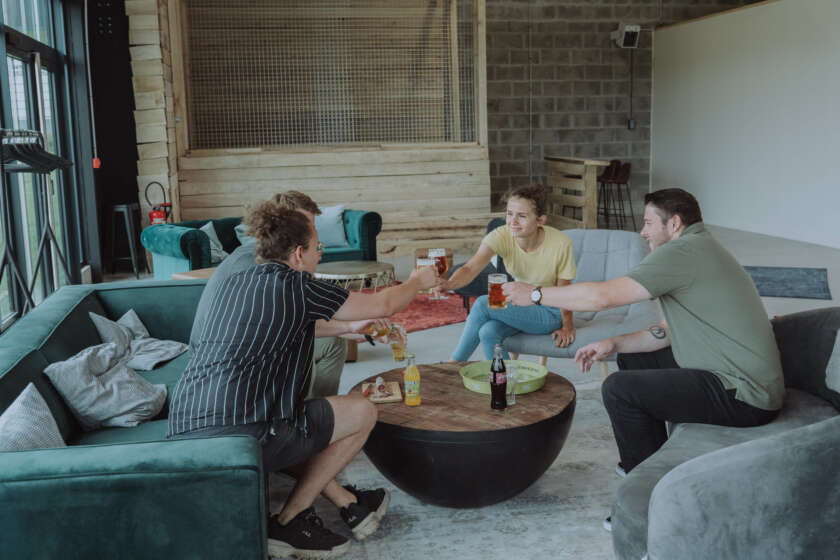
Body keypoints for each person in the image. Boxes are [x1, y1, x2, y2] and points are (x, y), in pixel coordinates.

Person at [168, 201, 439, 558]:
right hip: (242, 435)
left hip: (185, 424)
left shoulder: (239, 272)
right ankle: (290, 520)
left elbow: (285, 322)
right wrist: (419, 280)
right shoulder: (296, 285)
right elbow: (384, 304)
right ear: (298, 253)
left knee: (294, 423)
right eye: (317, 248)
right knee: (362, 412)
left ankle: (345, 500)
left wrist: (347, 327)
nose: (319, 256)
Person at [503, 188, 783, 527]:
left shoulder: (681, 253)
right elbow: (667, 331)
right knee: (632, 360)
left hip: (744, 393)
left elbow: (603, 297)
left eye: (649, 223)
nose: (643, 232)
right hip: (724, 367)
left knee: (620, 390)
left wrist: (536, 294)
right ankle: (646, 461)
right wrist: (615, 343)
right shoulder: (700, 247)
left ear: (674, 224)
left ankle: (646, 502)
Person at [189, 191, 395, 398]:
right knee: (301, 346)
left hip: (239, 347)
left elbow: (299, 316)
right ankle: (308, 412)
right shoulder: (259, 266)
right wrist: (351, 326)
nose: (309, 233)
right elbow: (298, 324)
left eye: (312, 226)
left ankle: (322, 408)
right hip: (221, 360)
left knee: (333, 344)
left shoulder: (270, 256)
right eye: (303, 224)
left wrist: (353, 327)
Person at [438, 184, 577, 361]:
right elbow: (470, 268)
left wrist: (567, 327)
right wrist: (449, 284)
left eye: (522, 216)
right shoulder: (502, 235)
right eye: (510, 214)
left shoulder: (560, 243)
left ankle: (453, 365)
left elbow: (565, 292)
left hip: (550, 312)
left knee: (482, 304)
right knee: (488, 332)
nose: (513, 221)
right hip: (520, 305)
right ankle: (506, 377)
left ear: (540, 220)